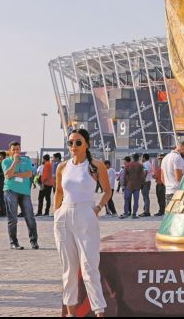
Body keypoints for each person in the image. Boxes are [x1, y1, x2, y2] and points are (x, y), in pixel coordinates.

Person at [54, 128, 110, 317]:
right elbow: (58, 192)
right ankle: (71, 313)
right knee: (68, 269)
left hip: (86, 213)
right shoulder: (62, 166)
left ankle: (99, 311)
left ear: (86, 143)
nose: (73, 146)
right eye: (70, 142)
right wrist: (56, 213)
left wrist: (97, 208)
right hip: (64, 215)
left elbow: (107, 191)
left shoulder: (95, 165)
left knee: (89, 267)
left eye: (78, 142)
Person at [1, 142, 38, 250]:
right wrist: (15, 162)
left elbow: (29, 174)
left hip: (25, 192)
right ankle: (14, 242)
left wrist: (15, 174)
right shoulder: (6, 161)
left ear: (20, 149)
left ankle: (34, 241)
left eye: (18, 149)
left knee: (30, 217)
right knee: (13, 218)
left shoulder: (26, 160)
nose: (16, 151)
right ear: (10, 151)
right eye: (14, 150)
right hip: (10, 191)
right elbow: (7, 175)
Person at [161, 137, 184, 203]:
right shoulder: (178, 158)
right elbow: (178, 178)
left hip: (168, 192)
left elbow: (162, 179)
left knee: (169, 213)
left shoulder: (165, 158)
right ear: (183, 147)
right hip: (177, 193)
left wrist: (169, 186)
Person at [120, 154, 144, 219]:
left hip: (129, 185)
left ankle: (126, 213)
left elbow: (124, 176)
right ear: (138, 158)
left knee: (126, 200)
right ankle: (134, 215)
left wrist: (124, 185)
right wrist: (142, 184)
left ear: (132, 158)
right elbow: (142, 176)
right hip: (137, 186)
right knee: (136, 201)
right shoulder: (140, 166)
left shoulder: (127, 165)